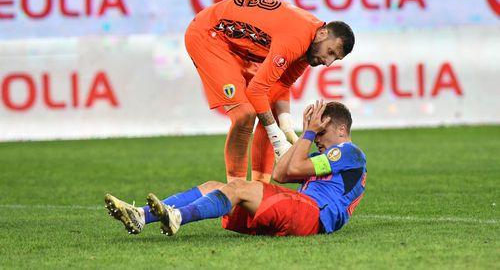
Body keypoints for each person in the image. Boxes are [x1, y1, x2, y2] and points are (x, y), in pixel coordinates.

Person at [105, 100, 367, 236]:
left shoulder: (349, 152)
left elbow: (294, 167)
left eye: (323, 131)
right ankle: (141, 216)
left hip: (311, 214)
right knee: (214, 187)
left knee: (241, 187)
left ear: (342, 130)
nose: (318, 138)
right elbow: (281, 174)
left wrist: (309, 132)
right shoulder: (333, 158)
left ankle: (179, 216)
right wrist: (305, 135)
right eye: (317, 132)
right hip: (300, 213)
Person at [184, 0, 355, 182]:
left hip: (232, 44)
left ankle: (259, 189)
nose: (328, 62)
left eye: (335, 59)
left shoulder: (310, 45)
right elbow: (256, 91)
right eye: (330, 52)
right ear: (322, 34)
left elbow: (280, 87)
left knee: (270, 107)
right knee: (244, 115)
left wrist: (287, 129)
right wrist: (277, 139)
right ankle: (236, 192)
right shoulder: (297, 38)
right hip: (208, 35)